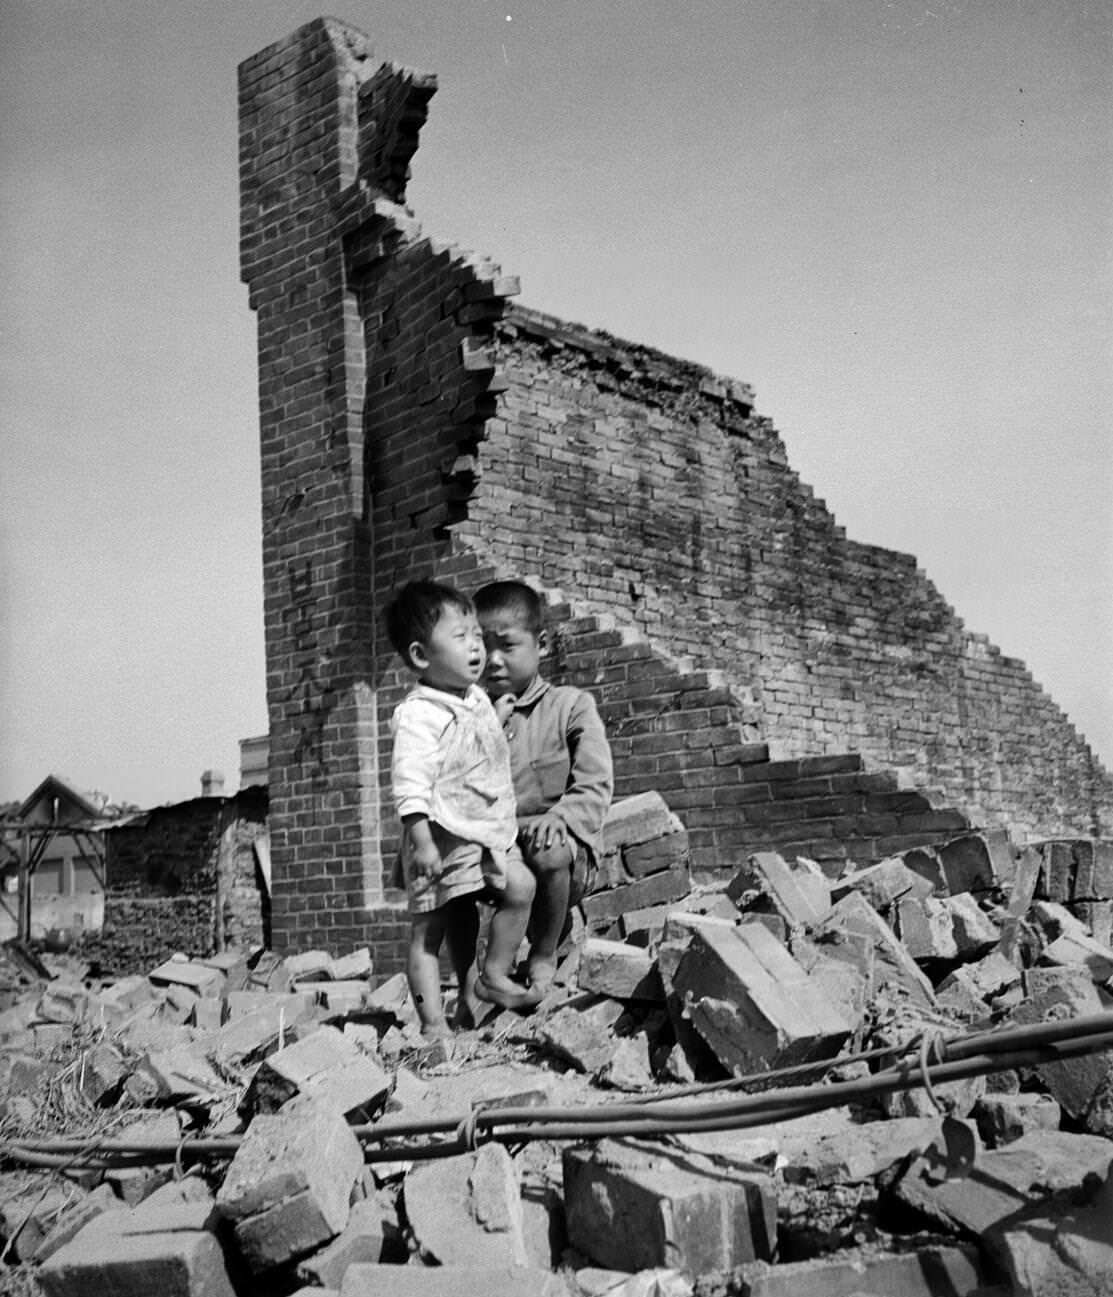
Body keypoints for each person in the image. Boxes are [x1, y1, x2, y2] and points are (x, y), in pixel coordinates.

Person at [384, 579, 540, 1037]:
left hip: (479, 830)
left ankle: (493, 974)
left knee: (520, 886)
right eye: (461, 637)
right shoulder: (419, 715)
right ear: (420, 656)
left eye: (477, 635)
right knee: (428, 932)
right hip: (438, 836)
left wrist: (499, 717)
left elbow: (476, 742)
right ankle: (433, 1024)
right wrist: (422, 843)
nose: (476, 647)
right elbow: (410, 785)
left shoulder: (473, 698)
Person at [474, 580, 613, 994]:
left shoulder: (571, 706)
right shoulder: (473, 717)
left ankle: (544, 952)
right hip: (500, 853)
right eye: (483, 648)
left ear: (543, 645)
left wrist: (561, 817)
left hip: (563, 852)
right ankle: (476, 979)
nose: (494, 660)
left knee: (549, 849)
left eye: (507, 646)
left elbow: (595, 781)